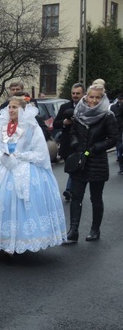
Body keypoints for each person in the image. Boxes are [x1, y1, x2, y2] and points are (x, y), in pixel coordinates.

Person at [0, 96, 66, 254]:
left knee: (20, 206)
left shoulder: (31, 128)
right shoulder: (3, 127)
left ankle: (19, 241)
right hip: (2, 169)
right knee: (1, 205)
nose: (11, 110)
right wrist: (3, 156)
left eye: (14, 107)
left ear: (23, 110)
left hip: (25, 171)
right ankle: (2, 240)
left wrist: (19, 156)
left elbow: (40, 154)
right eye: (9, 107)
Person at [63, 83, 118, 243]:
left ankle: (95, 229)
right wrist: (76, 145)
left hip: (97, 161)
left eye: (97, 97)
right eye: (91, 96)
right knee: (76, 197)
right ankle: (73, 231)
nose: (93, 100)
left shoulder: (108, 116)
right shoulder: (79, 112)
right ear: (86, 96)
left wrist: (95, 148)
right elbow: (73, 132)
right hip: (80, 160)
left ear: (102, 98)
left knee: (96, 198)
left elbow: (113, 139)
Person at [53, 83, 85, 200]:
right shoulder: (65, 107)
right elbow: (55, 124)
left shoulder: (87, 107)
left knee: (76, 167)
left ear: (83, 94)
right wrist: (64, 122)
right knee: (72, 168)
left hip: (81, 143)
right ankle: (72, 189)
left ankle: (69, 190)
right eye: (73, 93)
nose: (75, 95)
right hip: (68, 144)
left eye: (78, 93)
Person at [109, 92, 123, 174]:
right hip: (118, 129)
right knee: (120, 147)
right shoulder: (114, 107)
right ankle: (121, 167)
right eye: (120, 99)